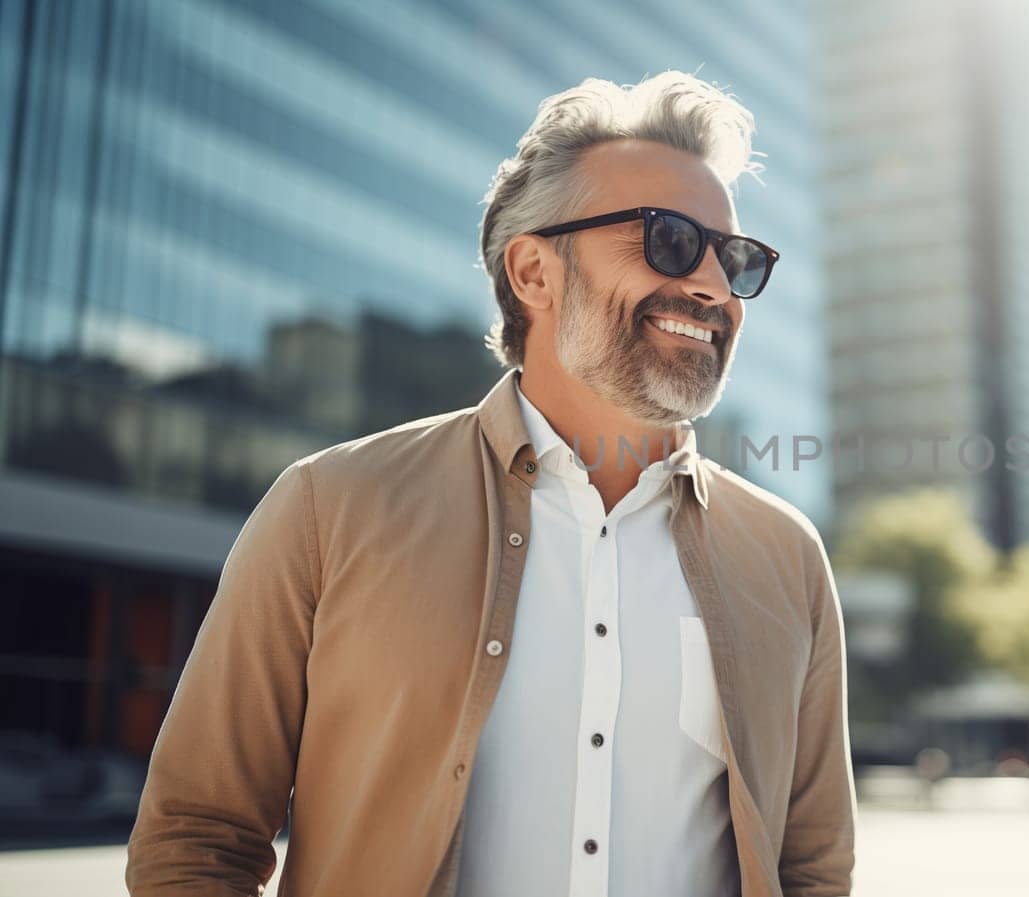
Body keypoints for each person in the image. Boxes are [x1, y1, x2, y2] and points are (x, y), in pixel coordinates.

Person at [126, 70, 856, 897]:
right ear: (534, 273)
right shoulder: (329, 509)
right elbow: (197, 836)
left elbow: (812, 869)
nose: (714, 286)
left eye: (736, 257)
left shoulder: (788, 558)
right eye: (670, 239)